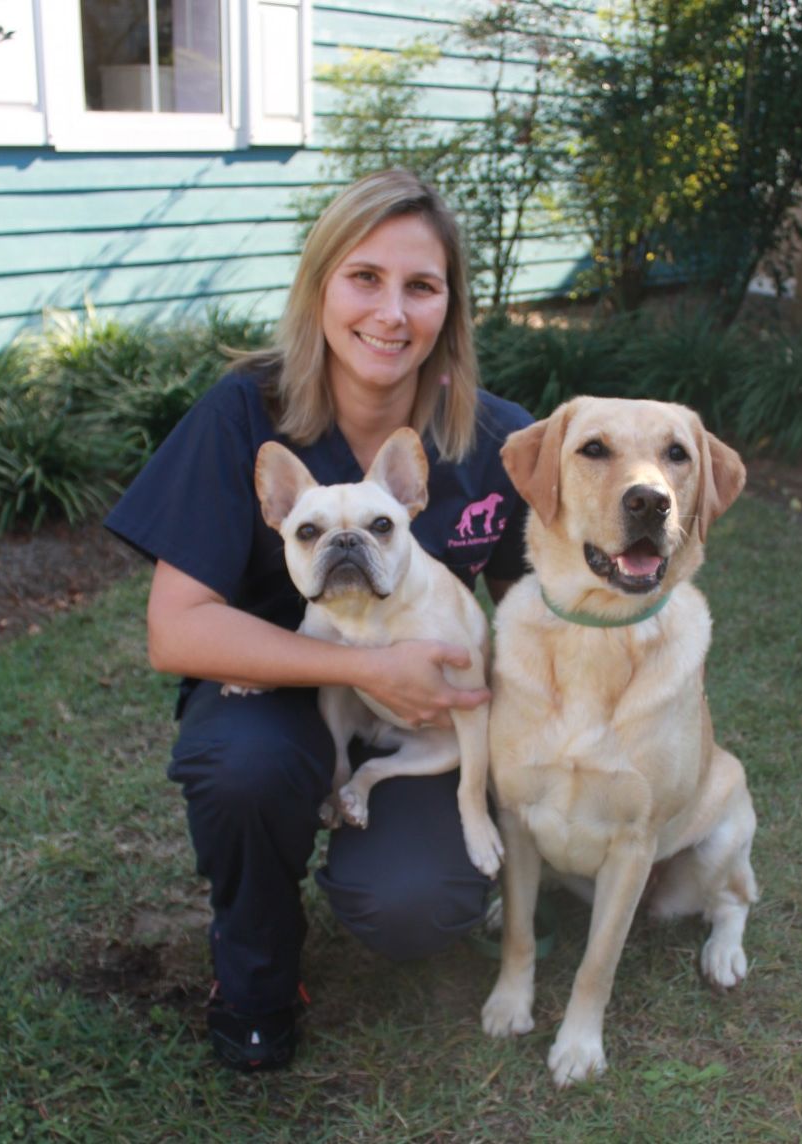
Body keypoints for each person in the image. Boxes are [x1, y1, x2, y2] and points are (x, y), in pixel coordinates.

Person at [104, 169, 532, 1071]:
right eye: (364, 277)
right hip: (272, 687)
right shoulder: (243, 413)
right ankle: (255, 968)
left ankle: (386, 845)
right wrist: (363, 669)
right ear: (319, 288)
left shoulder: (492, 438)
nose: (391, 312)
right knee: (246, 767)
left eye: (420, 286)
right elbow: (175, 629)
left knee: (418, 905)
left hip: (422, 711)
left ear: (448, 307)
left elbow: (537, 605)